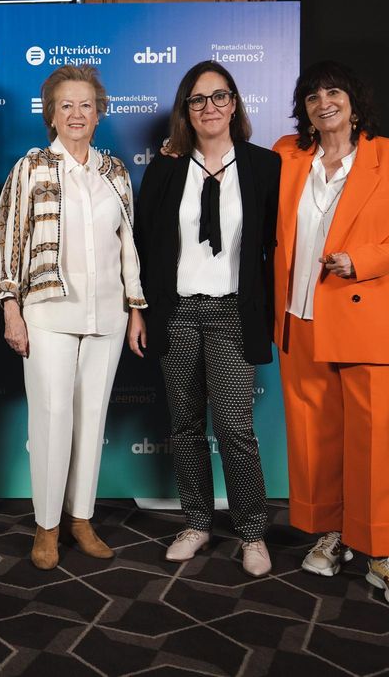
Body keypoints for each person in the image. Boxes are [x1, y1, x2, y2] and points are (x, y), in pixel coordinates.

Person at [274, 60, 389, 609]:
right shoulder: (286, 154)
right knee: (317, 439)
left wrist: (358, 260)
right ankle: (333, 531)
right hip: (301, 316)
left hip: (366, 317)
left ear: (355, 103)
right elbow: (237, 185)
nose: (323, 101)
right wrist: (180, 158)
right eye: (312, 95)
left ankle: (382, 552)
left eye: (333, 91)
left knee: (372, 441)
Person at [0, 65, 144, 569]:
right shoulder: (30, 167)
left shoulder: (115, 171)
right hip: (47, 313)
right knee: (52, 418)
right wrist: (11, 308)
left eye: (86, 105)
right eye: (65, 106)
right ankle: (47, 525)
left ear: (99, 113)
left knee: (92, 417)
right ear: (50, 115)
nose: (76, 114)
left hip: (108, 314)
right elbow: (7, 241)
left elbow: (128, 246)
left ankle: (81, 518)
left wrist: (136, 307)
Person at [131, 61, 280, 577]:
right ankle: (195, 521)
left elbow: (277, 247)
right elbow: (145, 245)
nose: (210, 107)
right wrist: (142, 311)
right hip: (178, 313)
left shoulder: (264, 167)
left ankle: (252, 531)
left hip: (233, 313)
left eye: (219, 97)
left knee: (236, 427)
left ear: (235, 104)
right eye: (198, 99)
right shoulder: (168, 167)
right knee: (186, 425)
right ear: (185, 111)